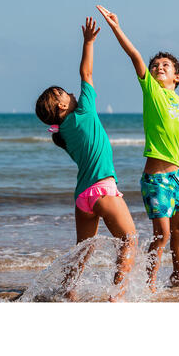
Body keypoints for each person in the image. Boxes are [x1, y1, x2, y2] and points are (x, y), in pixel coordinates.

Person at [35, 17, 137, 300]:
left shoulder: (63, 135)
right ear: (63, 104)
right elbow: (87, 73)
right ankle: (118, 294)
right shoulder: (84, 113)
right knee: (129, 240)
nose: (71, 91)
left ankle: (69, 291)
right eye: (65, 92)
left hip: (83, 197)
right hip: (102, 190)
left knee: (83, 248)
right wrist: (89, 42)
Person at [96, 4, 179, 291]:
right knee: (161, 234)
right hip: (156, 179)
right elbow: (135, 56)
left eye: (166, 65)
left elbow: (175, 136)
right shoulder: (153, 92)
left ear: (177, 76)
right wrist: (116, 27)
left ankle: (178, 278)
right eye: (156, 66)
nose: (159, 67)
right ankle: (150, 283)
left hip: (176, 177)